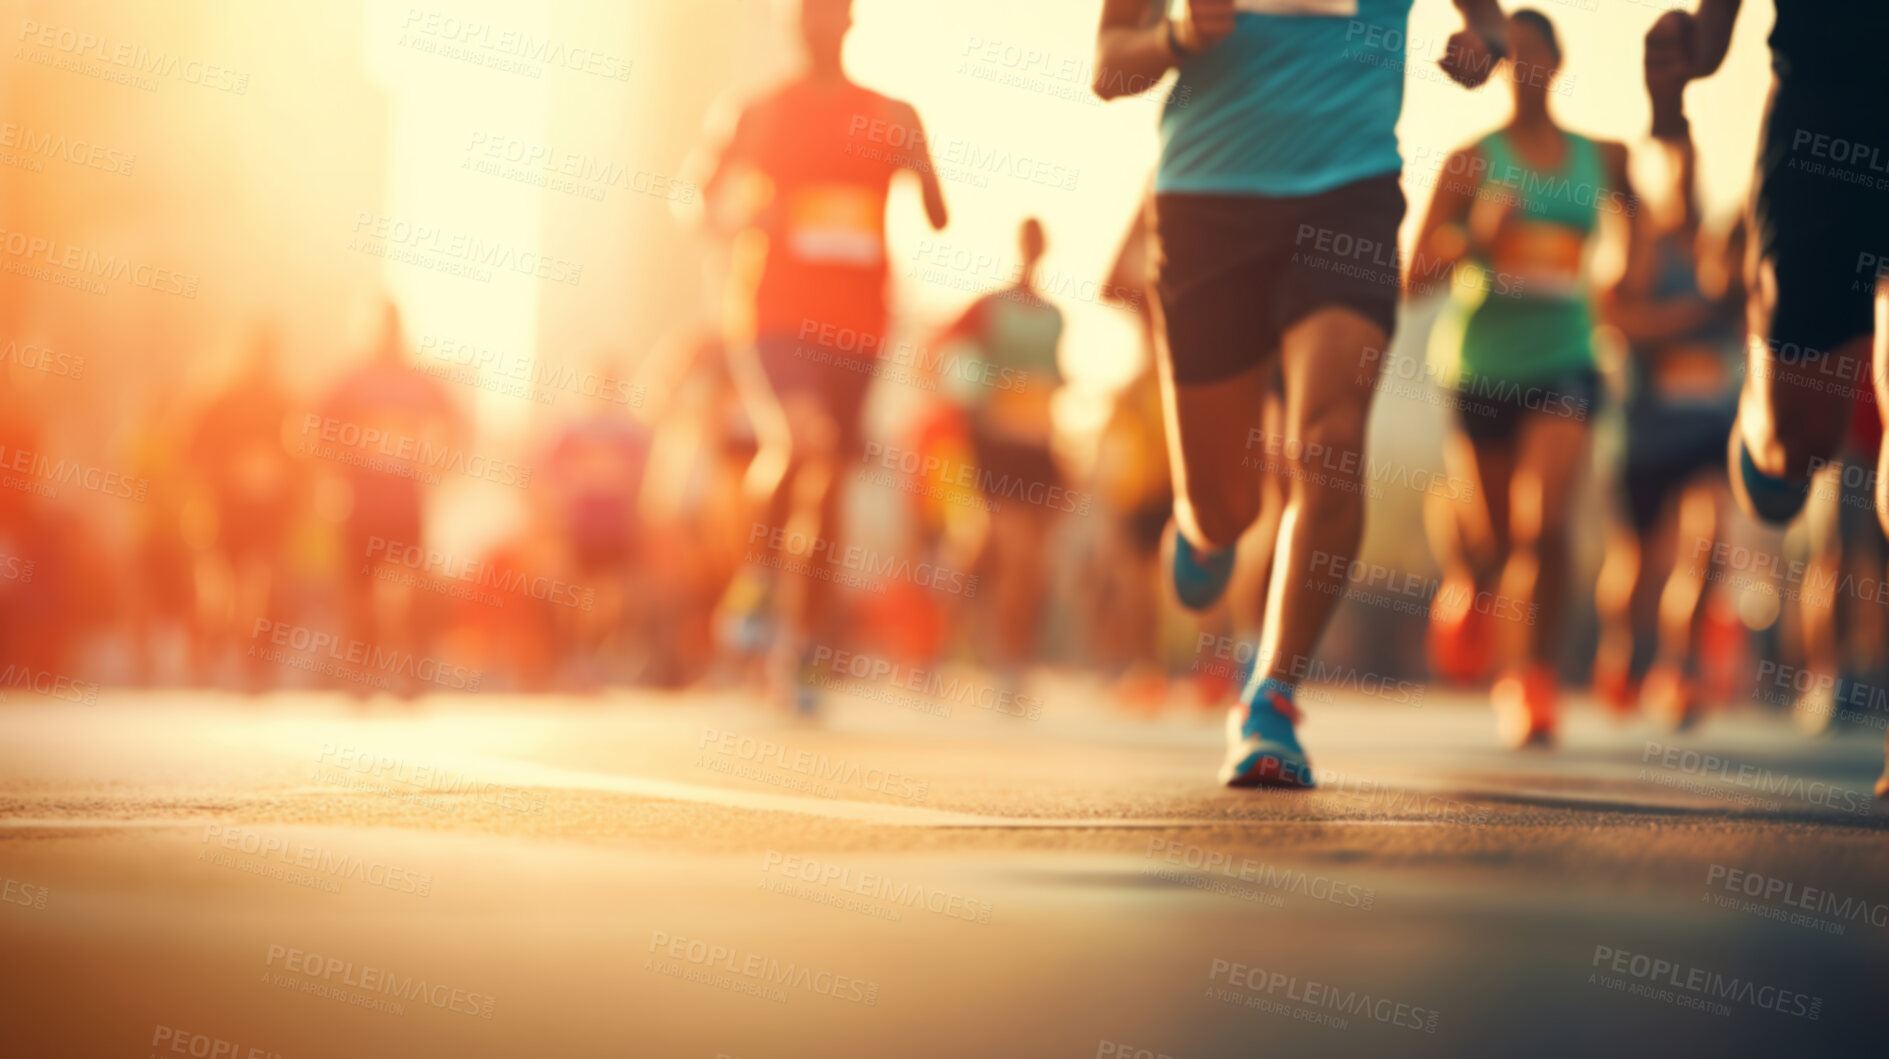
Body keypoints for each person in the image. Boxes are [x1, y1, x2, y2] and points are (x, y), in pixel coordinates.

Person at [1094, 0, 1508, 786]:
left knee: (1329, 441)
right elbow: (1109, 67)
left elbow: (1489, 25)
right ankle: (1205, 526)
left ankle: (1271, 697)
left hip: (1346, 194)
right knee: (1225, 505)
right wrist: (1177, 34)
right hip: (1206, 201)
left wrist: (1481, 45)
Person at [691, 0, 949, 712]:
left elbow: (936, 212)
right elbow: (696, 202)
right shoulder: (758, 112)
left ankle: (804, 647)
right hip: (773, 312)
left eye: (829, 15)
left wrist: (917, 156)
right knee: (802, 437)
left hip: (860, 325)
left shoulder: (889, 112)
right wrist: (742, 213)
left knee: (829, 472)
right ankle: (755, 574)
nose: (817, 28)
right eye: (805, 17)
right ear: (791, 28)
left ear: (848, 25)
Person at [1660, 1, 1889, 794]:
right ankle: (1759, 435)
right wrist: (1676, 66)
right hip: (1820, 127)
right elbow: (1709, 42)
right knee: (1796, 450)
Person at [1410, 9, 1635, 748]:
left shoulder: (1599, 157)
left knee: (1546, 528)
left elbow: (1643, 227)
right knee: (1495, 544)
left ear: (1560, 64)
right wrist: (1473, 236)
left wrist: (1632, 274)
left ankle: (1530, 680)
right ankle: (1463, 573)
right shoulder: (1472, 160)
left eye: (1541, 55)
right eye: (1517, 55)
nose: (1528, 67)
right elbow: (1414, 279)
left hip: (1565, 357)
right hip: (1481, 366)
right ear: (1503, 64)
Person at [1591, 35, 1745, 730]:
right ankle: (1622, 650)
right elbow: (1617, 321)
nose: (1685, 182)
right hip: (1647, 429)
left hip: (1707, 425)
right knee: (1640, 559)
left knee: (1709, 544)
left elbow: (1738, 321)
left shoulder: (1717, 251)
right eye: (1676, 170)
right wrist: (1691, 316)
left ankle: (1676, 673)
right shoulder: (1640, 244)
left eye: (1693, 173)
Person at [933, 218, 1066, 688]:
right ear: (1019, 244)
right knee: (1015, 555)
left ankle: (956, 647)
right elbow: (942, 351)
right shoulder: (989, 307)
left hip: (1040, 450)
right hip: (997, 448)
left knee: (1000, 557)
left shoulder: (1054, 316)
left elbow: (1054, 376)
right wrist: (969, 404)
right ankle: (1008, 664)